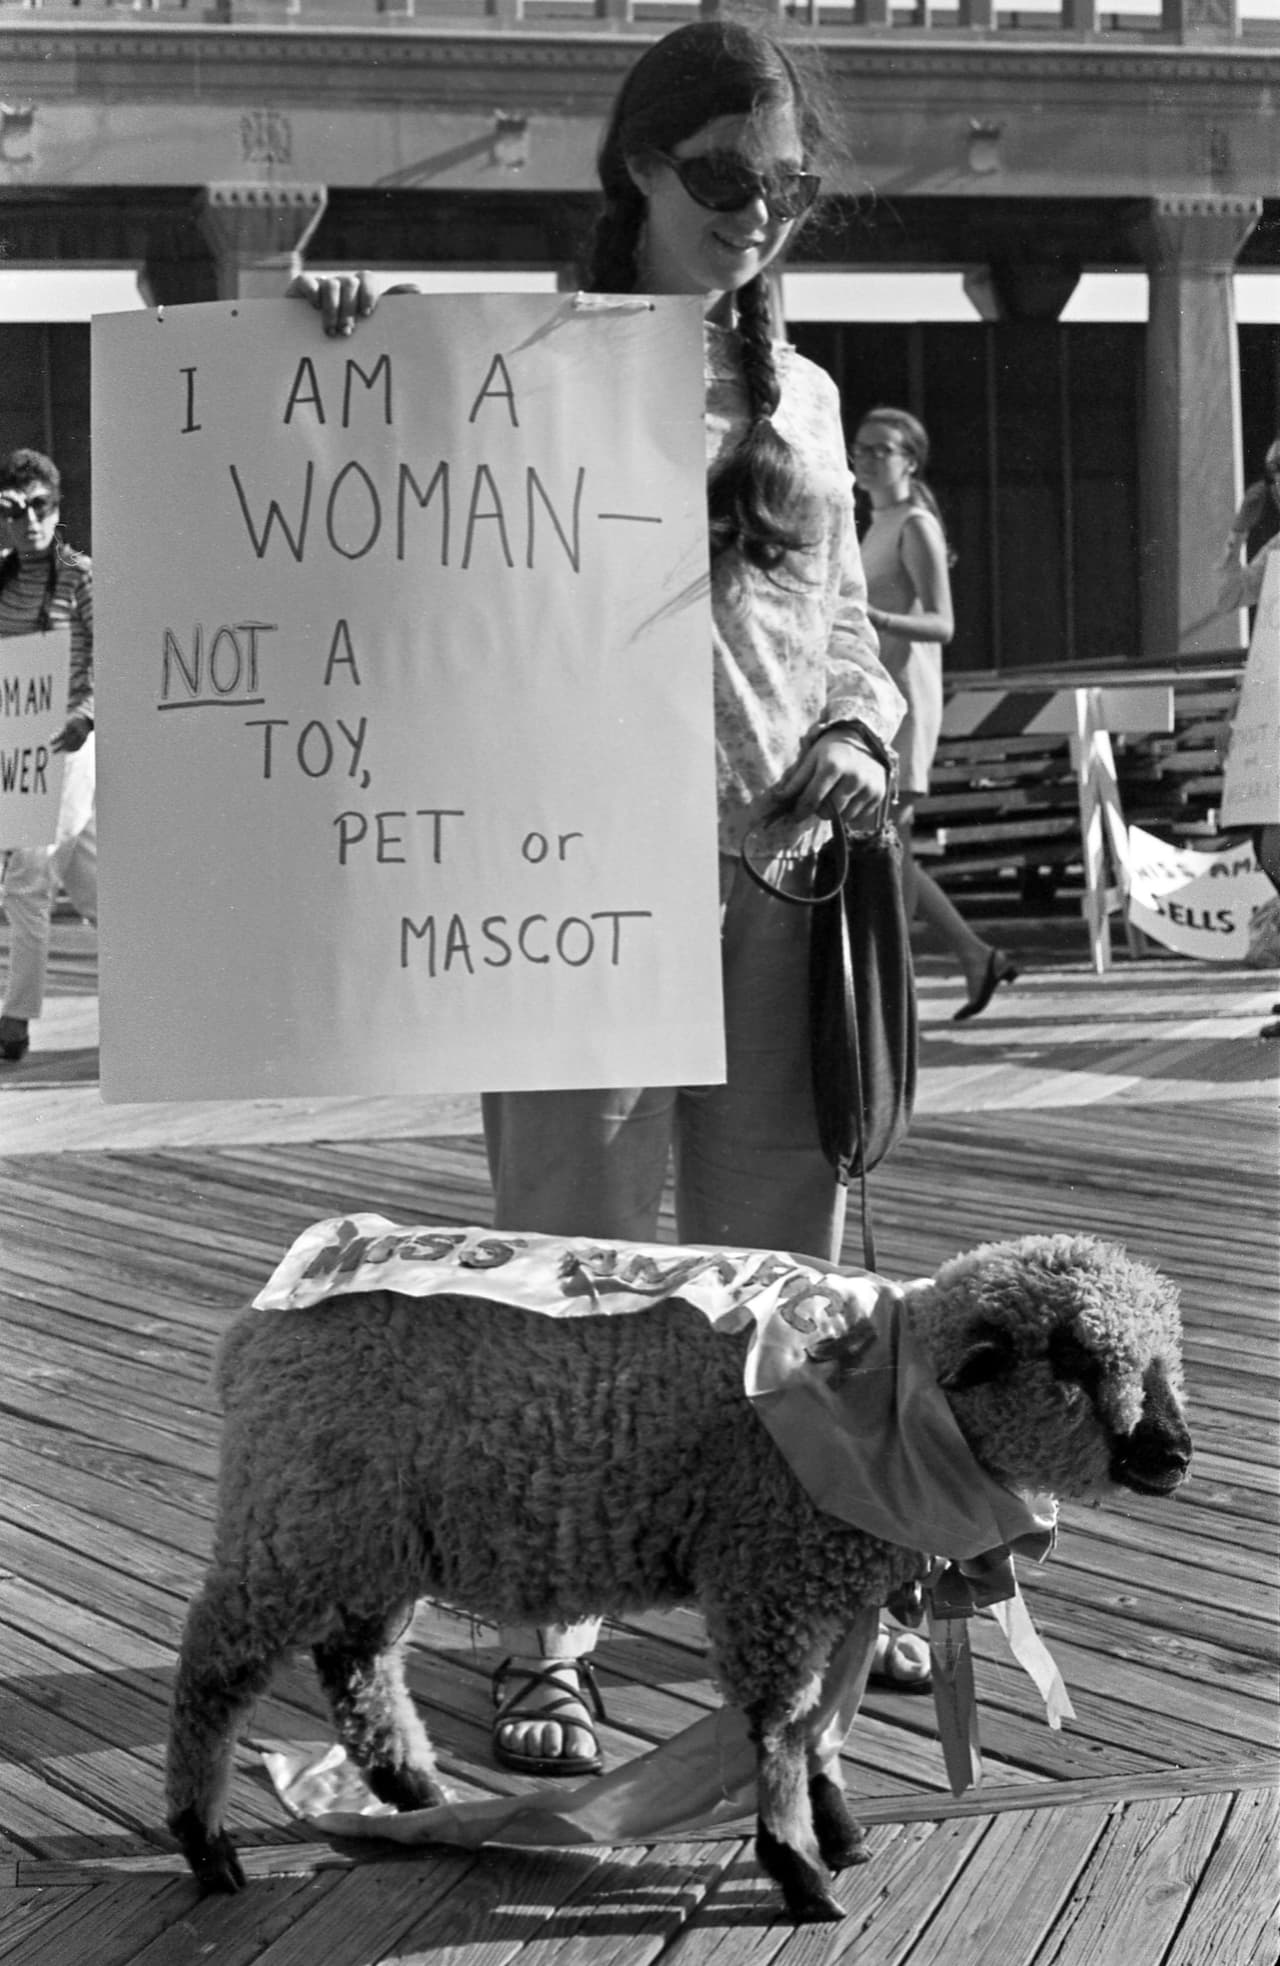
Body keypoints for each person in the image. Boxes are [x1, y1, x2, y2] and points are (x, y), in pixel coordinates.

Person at [291, 17, 914, 1771]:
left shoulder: (800, 395)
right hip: (571, 885)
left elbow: (843, 631)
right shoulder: (518, 360)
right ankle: (544, 1638)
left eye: (786, 184)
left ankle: (775, 1599)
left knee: (768, 1280)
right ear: (633, 170)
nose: (758, 214)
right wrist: (330, 363)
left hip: (778, 888)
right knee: (563, 1273)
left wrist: (862, 732)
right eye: (723, 179)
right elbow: (381, 539)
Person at [854, 406, 1018, 1021]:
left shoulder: (914, 523)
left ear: (909, 460)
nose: (867, 458)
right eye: (860, 448)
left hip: (902, 696)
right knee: (885, 841)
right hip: (874, 690)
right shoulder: (874, 522)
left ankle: (894, 990)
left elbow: (942, 624)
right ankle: (975, 955)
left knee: (888, 839)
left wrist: (874, 618)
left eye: (881, 450)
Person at [0, 448, 96, 1064]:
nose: (29, 520)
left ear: (57, 510)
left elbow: (118, 647)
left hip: (69, 738)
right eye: (14, 508)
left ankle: (14, 1020)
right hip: (16, 740)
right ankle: (167, 994)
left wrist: (88, 714)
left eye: (41, 506)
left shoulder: (82, 574)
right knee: (92, 884)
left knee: (28, 877)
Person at [1214, 434, 1280, 894]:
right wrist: (1238, 532)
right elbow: (1230, 596)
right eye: (1275, 478)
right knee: (1271, 841)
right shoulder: (1276, 550)